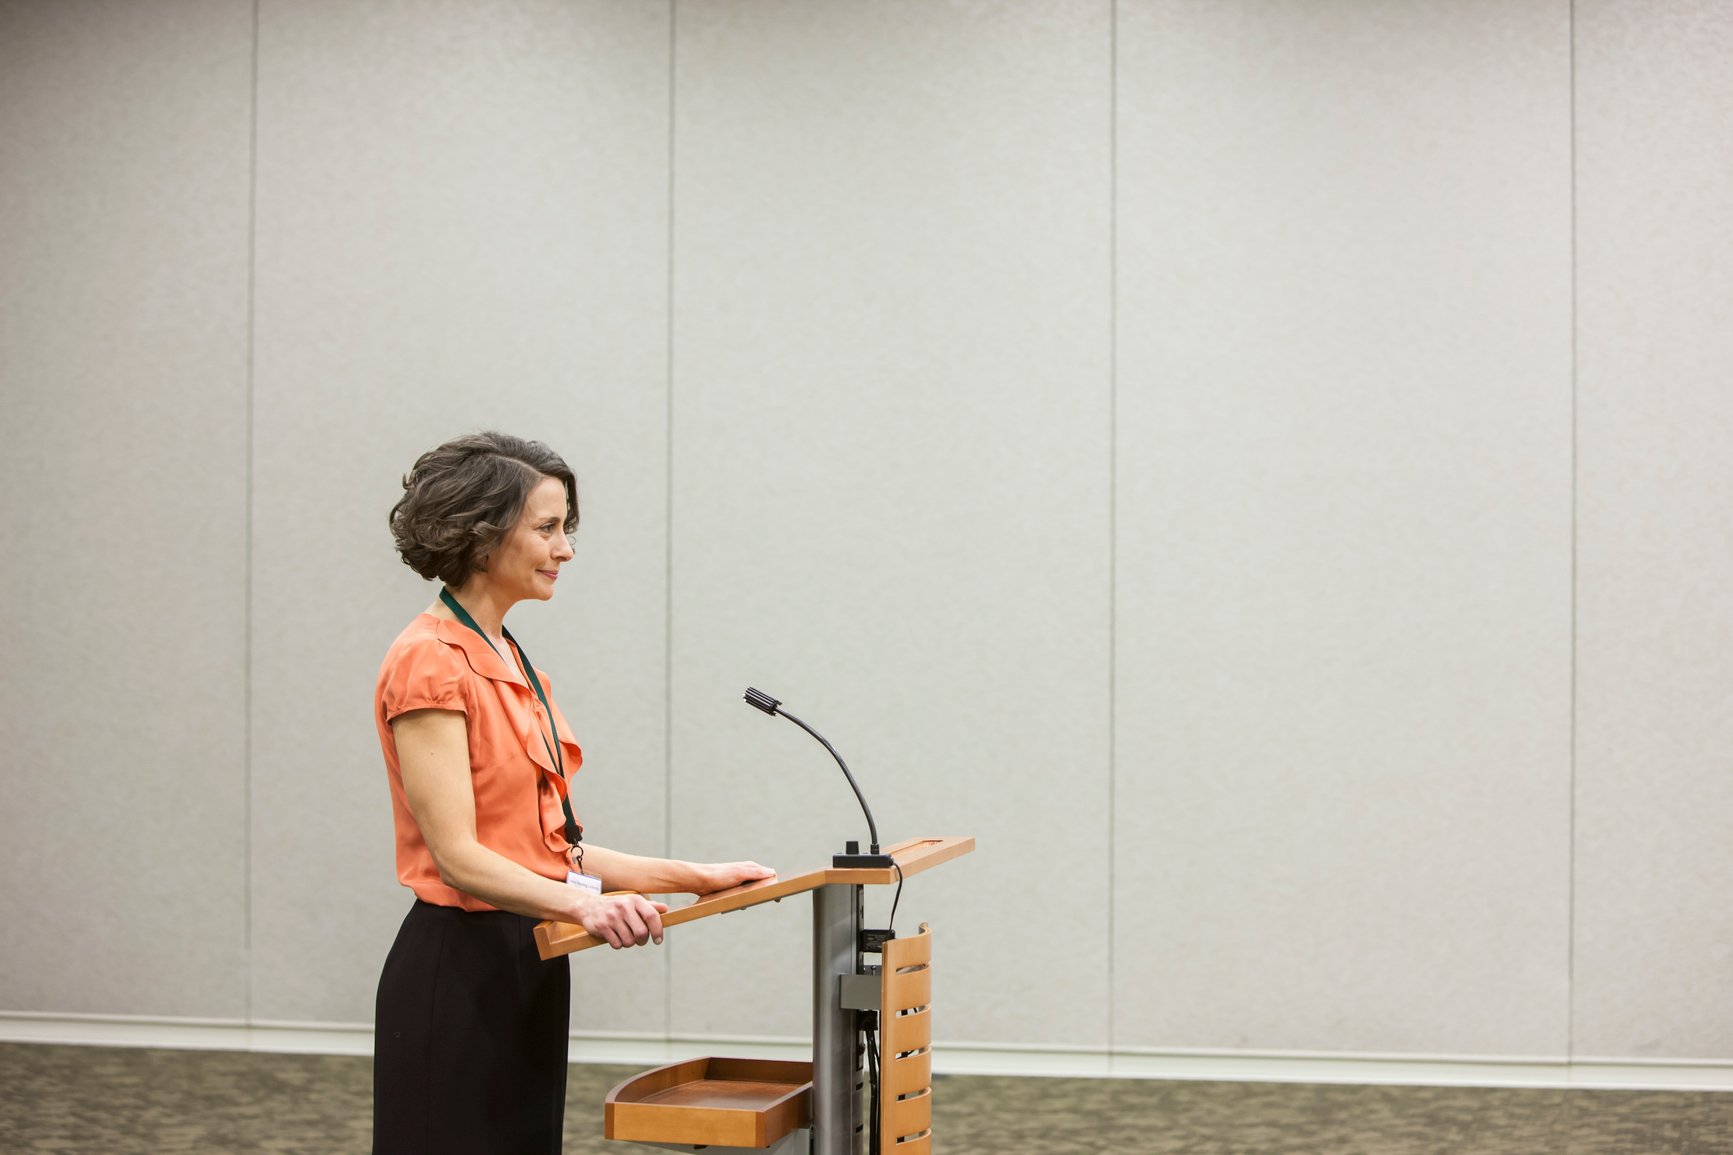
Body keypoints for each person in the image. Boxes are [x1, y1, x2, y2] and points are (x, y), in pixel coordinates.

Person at [372, 431, 773, 1154]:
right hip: (456, 966)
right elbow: (460, 858)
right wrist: (587, 904)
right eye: (547, 528)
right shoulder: (428, 661)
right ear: (482, 534)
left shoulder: (513, 657)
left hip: (529, 950)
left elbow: (555, 849)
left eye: (566, 528)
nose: (565, 549)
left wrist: (696, 877)